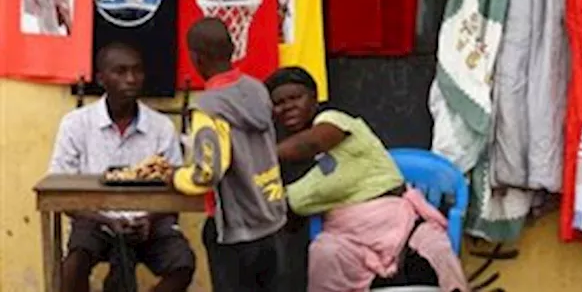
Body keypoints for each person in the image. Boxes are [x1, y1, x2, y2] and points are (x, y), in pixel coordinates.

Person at [264, 66, 468, 292]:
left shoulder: (333, 121)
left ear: (314, 99)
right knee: (323, 252)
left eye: (295, 97)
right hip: (346, 238)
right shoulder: (284, 165)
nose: (288, 107)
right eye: (279, 103)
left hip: (400, 224)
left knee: (437, 249)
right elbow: (289, 214)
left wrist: (258, 155)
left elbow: (313, 143)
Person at [48, 42, 195, 292]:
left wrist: (149, 218)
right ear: (101, 78)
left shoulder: (161, 127)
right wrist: (105, 220)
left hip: (150, 221)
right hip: (94, 219)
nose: (131, 79)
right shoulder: (76, 125)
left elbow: (175, 188)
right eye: (121, 71)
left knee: (183, 264)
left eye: (137, 71)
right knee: (73, 264)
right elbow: (59, 191)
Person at [170, 18, 287, 290]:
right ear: (234, 48)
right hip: (271, 218)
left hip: (235, 230)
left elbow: (206, 172)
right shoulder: (257, 90)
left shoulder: (209, 107)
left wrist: (176, 177)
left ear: (195, 58)